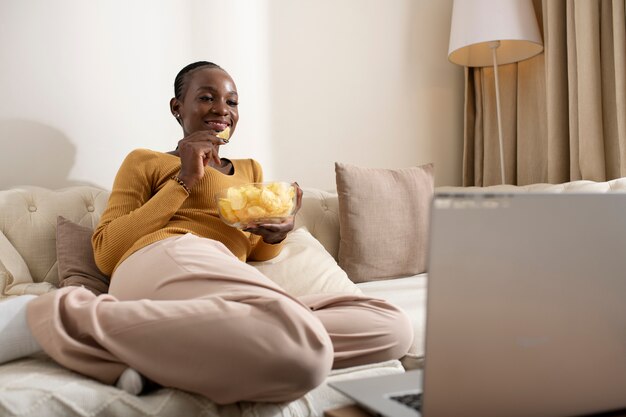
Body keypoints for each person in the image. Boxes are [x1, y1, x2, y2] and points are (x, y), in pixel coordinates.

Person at [0, 61, 413, 404]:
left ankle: (137, 350)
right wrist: (183, 181)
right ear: (178, 108)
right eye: (207, 97)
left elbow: (251, 253)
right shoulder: (146, 161)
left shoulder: (250, 169)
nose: (222, 108)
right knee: (303, 354)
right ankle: (57, 314)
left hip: (221, 279)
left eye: (231, 101)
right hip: (165, 257)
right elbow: (108, 252)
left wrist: (276, 233)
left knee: (389, 326)